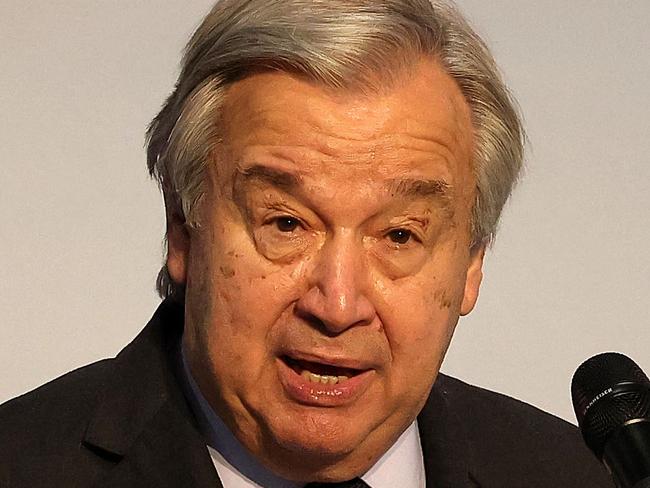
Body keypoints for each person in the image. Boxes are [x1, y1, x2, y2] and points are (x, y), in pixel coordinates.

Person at [0, 1, 614, 486]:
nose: (338, 304)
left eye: (400, 234)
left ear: (472, 264)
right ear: (183, 230)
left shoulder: (580, 475)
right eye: (287, 224)